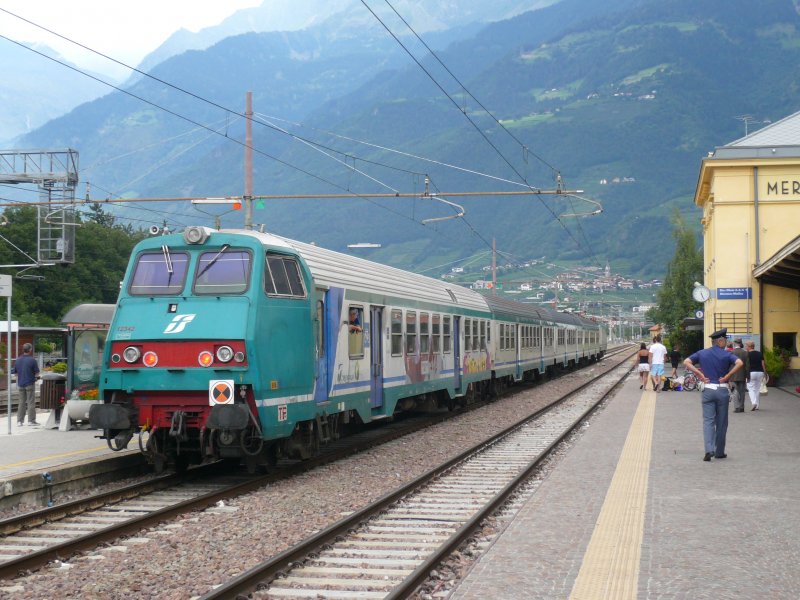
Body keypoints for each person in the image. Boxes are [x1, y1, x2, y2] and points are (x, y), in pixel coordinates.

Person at [683, 328, 743, 461]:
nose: (726, 343)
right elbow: (740, 363)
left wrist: (700, 374)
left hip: (708, 390)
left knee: (708, 421)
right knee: (722, 422)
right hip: (722, 390)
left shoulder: (702, 353)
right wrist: (728, 376)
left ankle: (709, 450)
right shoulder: (727, 354)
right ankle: (719, 451)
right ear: (720, 341)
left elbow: (686, 361)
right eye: (725, 340)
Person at [12, 343, 40, 426]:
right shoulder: (32, 360)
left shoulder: (18, 360)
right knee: (31, 402)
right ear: (30, 350)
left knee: (21, 402)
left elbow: (15, 374)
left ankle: (19, 421)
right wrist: (35, 377)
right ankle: (31, 421)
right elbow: (37, 373)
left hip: (20, 384)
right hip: (30, 383)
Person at [745, 340, 766, 411]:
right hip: (760, 372)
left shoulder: (747, 354)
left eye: (746, 346)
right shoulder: (759, 353)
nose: (745, 347)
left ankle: (754, 403)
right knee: (757, 389)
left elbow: (746, 365)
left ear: (748, 347)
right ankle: (757, 405)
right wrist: (765, 373)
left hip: (751, 372)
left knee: (750, 388)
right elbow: (763, 364)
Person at [730, 338, 749, 413]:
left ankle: (737, 407)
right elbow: (747, 366)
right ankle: (742, 407)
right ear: (740, 343)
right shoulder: (745, 353)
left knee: (735, 391)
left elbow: (729, 365)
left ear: (735, 343)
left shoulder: (731, 353)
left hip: (733, 375)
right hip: (742, 375)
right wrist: (748, 376)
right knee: (742, 392)